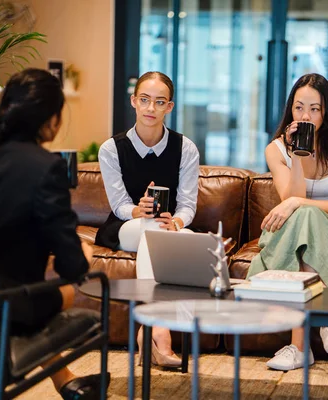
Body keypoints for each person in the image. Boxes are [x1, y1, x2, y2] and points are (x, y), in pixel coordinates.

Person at [0, 69, 107, 400]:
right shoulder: (46, 167)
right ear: (50, 120)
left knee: (22, 292)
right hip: (6, 308)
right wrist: (85, 255)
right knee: (66, 294)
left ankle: (57, 383)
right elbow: (71, 268)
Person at [247, 73, 328, 371]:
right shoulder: (275, 150)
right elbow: (291, 195)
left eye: (315, 109)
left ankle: (299, 347)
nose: (306, 116)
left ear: (327, 112)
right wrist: (297, 154)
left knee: (307, 214)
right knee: (303, 221)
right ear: (290, 110)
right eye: (299, 107)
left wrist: (299, 202)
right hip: (291, 232)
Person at [95, 71, 200, 368]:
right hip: (126, 226)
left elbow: (188, 205)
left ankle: (150, 331)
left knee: (187, 241)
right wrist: (138, 211)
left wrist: (177, 222)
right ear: (134, 102)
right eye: (144, 100)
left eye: (159, 101)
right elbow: (118, 205)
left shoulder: (186, 149)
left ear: (170, 106)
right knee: (153, 229)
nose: (150, 108)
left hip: (168, 227)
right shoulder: (112, 149)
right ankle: (162, 332)